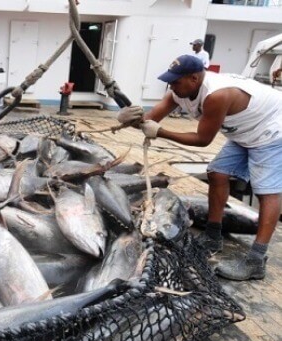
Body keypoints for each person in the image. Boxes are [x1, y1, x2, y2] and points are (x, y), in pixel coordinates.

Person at [116, 54, 282, 281]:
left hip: (272, 130)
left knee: (267, 191)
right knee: (217, 173)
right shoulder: (178, 92)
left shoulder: (216, 95)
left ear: (194, 79)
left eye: (176, 81)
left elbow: (203, 140)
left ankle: (256, 259)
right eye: (170, 81)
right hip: (244, 132)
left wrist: (161, 132)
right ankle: (213, 235)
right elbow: (150, 119)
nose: (171, 86)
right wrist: (126, 118)